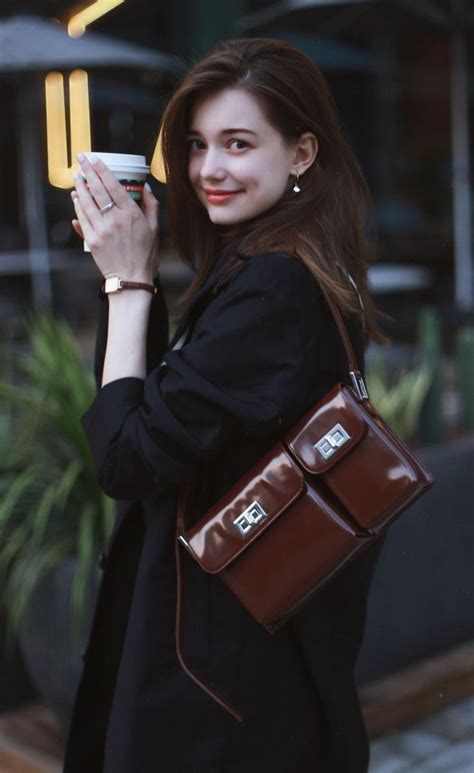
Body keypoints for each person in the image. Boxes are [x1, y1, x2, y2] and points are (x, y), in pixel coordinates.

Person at [63, 37, 385, 773]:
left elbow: (125, 457)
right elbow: (150, 413)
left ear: (302, 153)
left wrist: (130, 285)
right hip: (237, 638)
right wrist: (131, 277)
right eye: (198, 144)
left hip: (215, 674)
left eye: (239, 143)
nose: (209, 169)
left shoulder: (276, 288)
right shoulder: (280, 262)